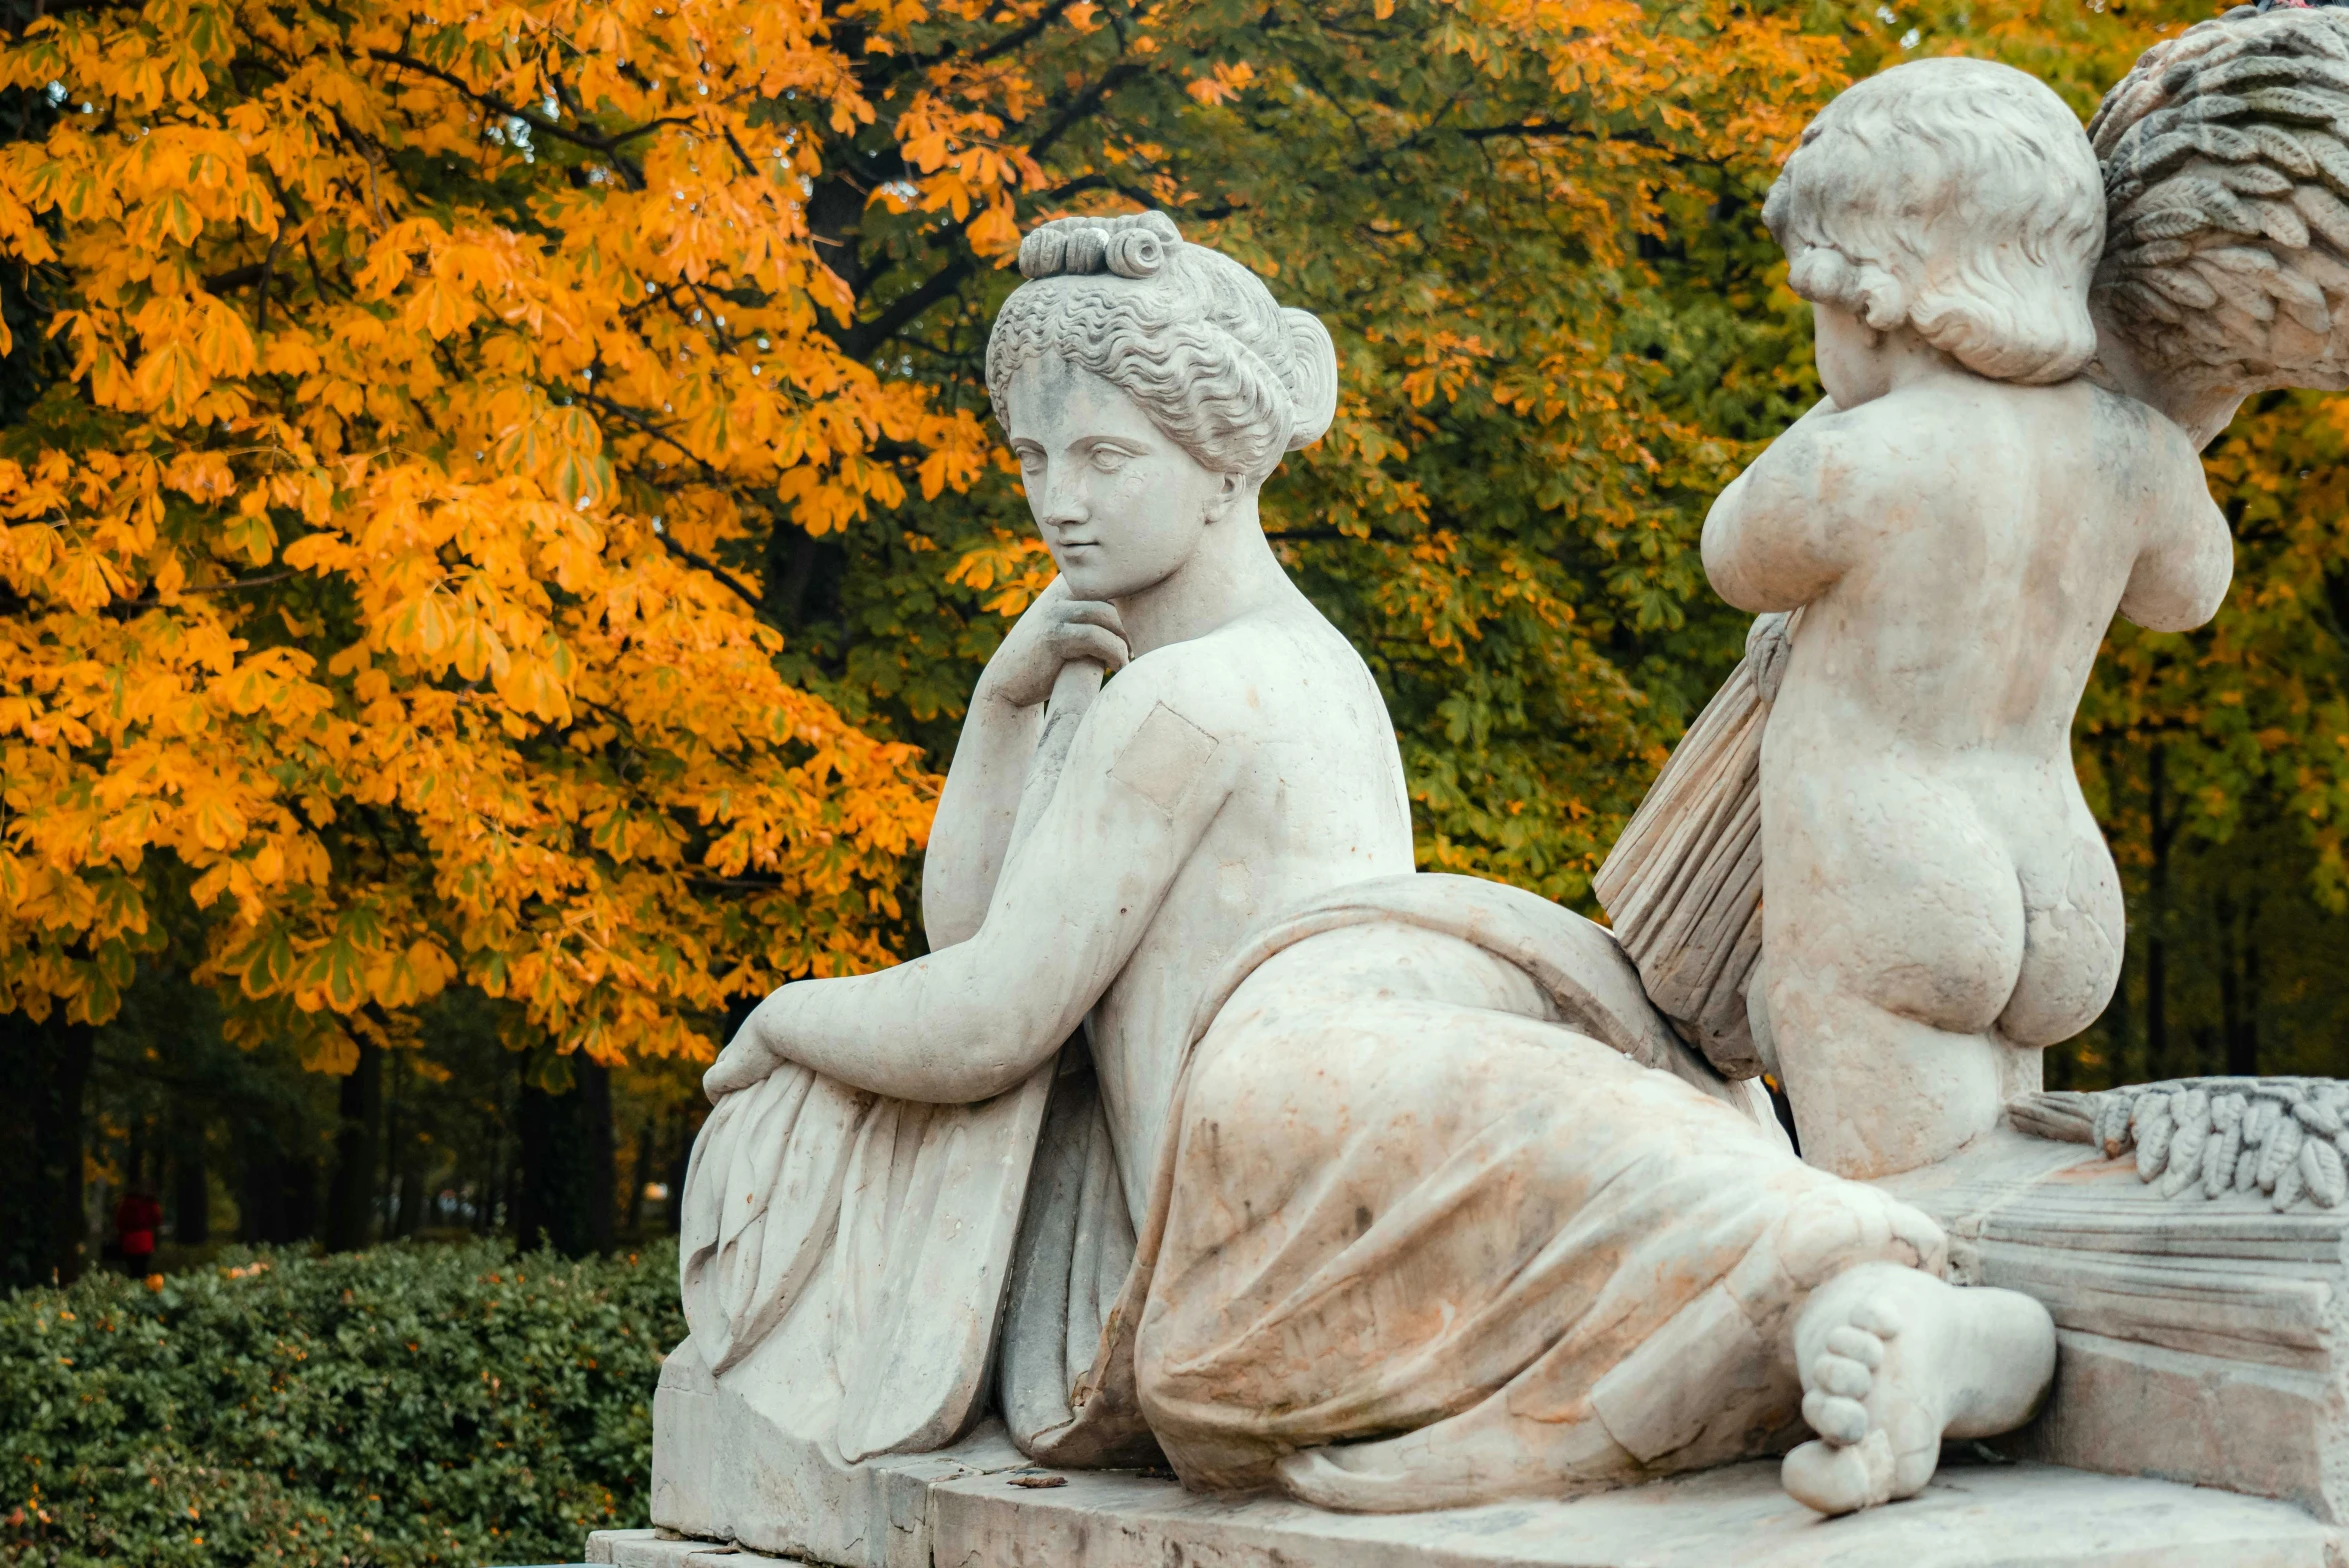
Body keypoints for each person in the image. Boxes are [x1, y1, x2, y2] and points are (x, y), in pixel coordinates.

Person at [669, 211, 2059, 1532]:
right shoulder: (1306, 664)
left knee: (1562, 1214)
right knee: (1579, 1218)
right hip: (1385, 1031)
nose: (1059, 503)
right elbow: (974, 942)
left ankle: (1881, 1311)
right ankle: (1878, 1311)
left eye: (1103, 456)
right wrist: (1001, 710)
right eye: (1034, 459)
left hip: (1270, 1123)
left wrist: (784, 1011)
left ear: (1223, 463)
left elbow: (985, 1022)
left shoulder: (1181, 701)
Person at [1703, 59, 2233, 1181]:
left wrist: (1835, 414)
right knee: (2001, 1200)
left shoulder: (1857, 458)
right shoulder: (2134, 452)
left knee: (1898, 1226)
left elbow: (1735, 557)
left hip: (1889, 858)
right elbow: (2190, 594)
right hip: (2056, 855)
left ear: (1871, 293)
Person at [115, 1186, 161, 1277]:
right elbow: (157, 1220)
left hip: (129, 1240)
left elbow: (119, 1223)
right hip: (145, 1240)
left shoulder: (124, 1206)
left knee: (133, 1269)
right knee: (143, 1268)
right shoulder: (148, 1204)